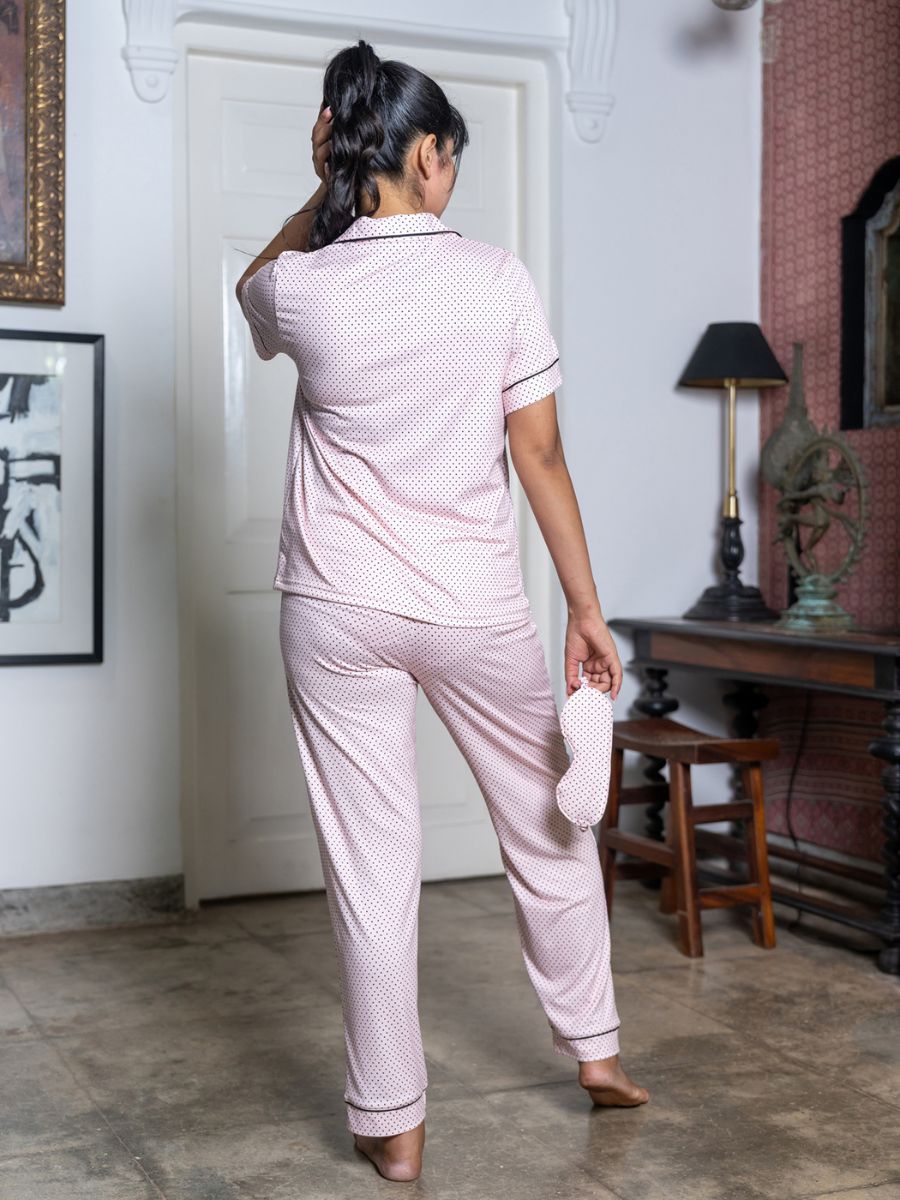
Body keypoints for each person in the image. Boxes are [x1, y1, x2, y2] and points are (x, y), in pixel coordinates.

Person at [235, 38, 648, 1184]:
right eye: (448, 157)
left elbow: (249, 287)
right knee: (551, 823)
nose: (451, 177)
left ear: (341, 151)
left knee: (375, 867)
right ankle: (598, 1054)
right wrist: (587, 611)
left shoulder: (303, 286)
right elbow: (543, 457)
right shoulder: (496, 279)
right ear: (426, 153)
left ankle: (397, 1127)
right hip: (473, 604)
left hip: (335, 607)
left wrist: (323, 185)